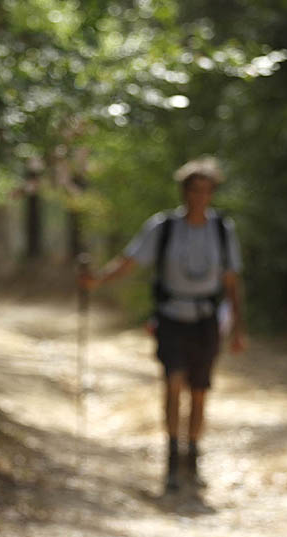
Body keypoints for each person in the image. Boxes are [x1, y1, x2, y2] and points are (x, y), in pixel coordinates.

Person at [80, 156, 246, 491]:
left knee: (199, 392)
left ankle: (193, 457)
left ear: (212, 193)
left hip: (206, 321)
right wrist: (97, 281)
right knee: (173, 383)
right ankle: (172, 459)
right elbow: (130, 262)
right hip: (170, 317)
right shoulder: (163, 227)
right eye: (192, 189)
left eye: (205, 190)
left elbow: (231, 282)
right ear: (183, 191)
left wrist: (239, 328)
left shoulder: (222, 230)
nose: (198, 196)